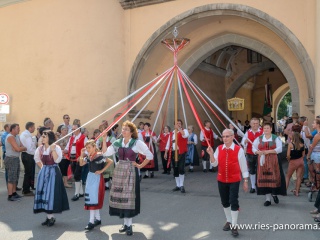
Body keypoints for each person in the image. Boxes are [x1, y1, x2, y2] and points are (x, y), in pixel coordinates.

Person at [103, 121, 153, 236]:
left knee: (129, 196)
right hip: (119, 170)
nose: (123, 131)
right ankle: (125, 224)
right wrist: (105, 139)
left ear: (131, 132)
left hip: (130, 171)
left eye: (126, 129)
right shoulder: (118, 142)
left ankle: (129, 225)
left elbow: (150, 155)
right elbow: (105, 153)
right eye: (123, 129)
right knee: (121, 196)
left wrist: (140, 165)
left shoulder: (137, 143)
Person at [207, 128, 249, 237]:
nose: (224, 138)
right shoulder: (219, 148)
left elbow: (244, 167)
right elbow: (214, 164)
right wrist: (211, 154)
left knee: (233, 201)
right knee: (225, 202)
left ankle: (234, 225)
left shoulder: (238, 149)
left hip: (234, 180)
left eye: (227, 136)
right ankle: (229, 221)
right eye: (223, 136)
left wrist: (245, 181)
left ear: (232, 137)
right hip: (221, 180)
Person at [33, 130, 69, 226]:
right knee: (44, 193)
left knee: (50, 194)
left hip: (53, 172)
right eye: (42, 136)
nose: (42, 137)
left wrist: (53, 149)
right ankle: (49, 217)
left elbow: (57, 160)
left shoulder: (56, 147)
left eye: (45, 136)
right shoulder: (40, 148)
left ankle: (51, 217)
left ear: (50, 137)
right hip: (44, 172)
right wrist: (43, 168)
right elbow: (36, 159)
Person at [78, 140, 113, 231]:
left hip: (97, 179)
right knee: (92, 198)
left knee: (93, 199)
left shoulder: (99, 156)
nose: (88, 149)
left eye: (89, 147)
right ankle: (98, 219)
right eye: (87, 148)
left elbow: (110, 161)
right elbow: (81, 164)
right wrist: (82, 154)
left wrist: (102, 171)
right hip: (90, 177)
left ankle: (91, 222)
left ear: (94, 147)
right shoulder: (89, 156)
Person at [253, 122, 286, 206]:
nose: (266, 130)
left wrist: (269, 151)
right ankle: (267, 199)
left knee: (274, 177)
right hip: (262, 161)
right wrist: (257, 152)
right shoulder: (259, 138)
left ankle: (274, 194)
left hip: (273, 160)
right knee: (264, 179)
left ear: (271, 129)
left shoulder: (276, 138)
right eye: (265, 128)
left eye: (268, 128)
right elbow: (253, 147)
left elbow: (280, 149)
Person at [64, 124, 88, 201]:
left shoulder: (84, 138)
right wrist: (63, 151)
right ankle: (81, 192)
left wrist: (81, 156)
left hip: (80, 159)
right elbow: (67, 148)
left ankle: (76, 194)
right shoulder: (71, 138)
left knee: (77, 175)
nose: (73, 130)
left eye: (74, 129)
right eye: (72, 129)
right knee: (77, 175)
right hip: (72, 159)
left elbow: (87, 150)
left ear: (78, 129)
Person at [164, 119, 189, 193]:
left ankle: (181, 185)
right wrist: (166, 152)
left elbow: (185, 135)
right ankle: (177, 185)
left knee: (181, 168)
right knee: (175, 169)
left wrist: (179, 129)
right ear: (174, 124)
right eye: (177, 123)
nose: (178, 124)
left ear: (181, 124)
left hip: (181, 152)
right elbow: (168, 144)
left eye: (179, 123)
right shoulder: (172, 133)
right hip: (173, 152)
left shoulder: (184, 130)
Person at [4, 124, 27, 201]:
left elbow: (22, 146)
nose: (19, 130)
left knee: (15, 177)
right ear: (13, 129)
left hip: (16, 158)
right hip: (11, 159)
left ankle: (14, 193)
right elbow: (17, 148)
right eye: (18, 128)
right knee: (11, 177)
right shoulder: (10, 137)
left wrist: (20, 148)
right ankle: (10, 195)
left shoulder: (17, 136)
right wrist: (19, 148)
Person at [241, 118, 263, 193]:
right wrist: (245, 141)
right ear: (250, 124)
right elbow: (242, 142)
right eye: (253, 123)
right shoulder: (247, 133)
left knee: (260, 170)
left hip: (260, 154)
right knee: (251, 170)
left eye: (257, 123)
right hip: (250, 153)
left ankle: (259, 185)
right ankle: (253, 186)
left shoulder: (262, 132)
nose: (255, 125)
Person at [20, 122, 37, 196]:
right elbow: (30, 148)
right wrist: (36, 153)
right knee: (28, 173)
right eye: (33, 127)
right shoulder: (27, 135)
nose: (34, 128)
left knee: (27, 173)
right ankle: (26, 190)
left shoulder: (25, 134)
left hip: (25, 154)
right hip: (28, 155)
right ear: (30, 127)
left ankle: (26, 188)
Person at [285, 132, 304, 196]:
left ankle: (285, 191)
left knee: (288, 176)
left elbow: (288, 155)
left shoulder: (291, 144)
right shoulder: (302, 145)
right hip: (300, 161)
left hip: (293, 161)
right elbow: (303, 155)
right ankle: (297, 192)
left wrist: (288, 159)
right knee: (299, 177)